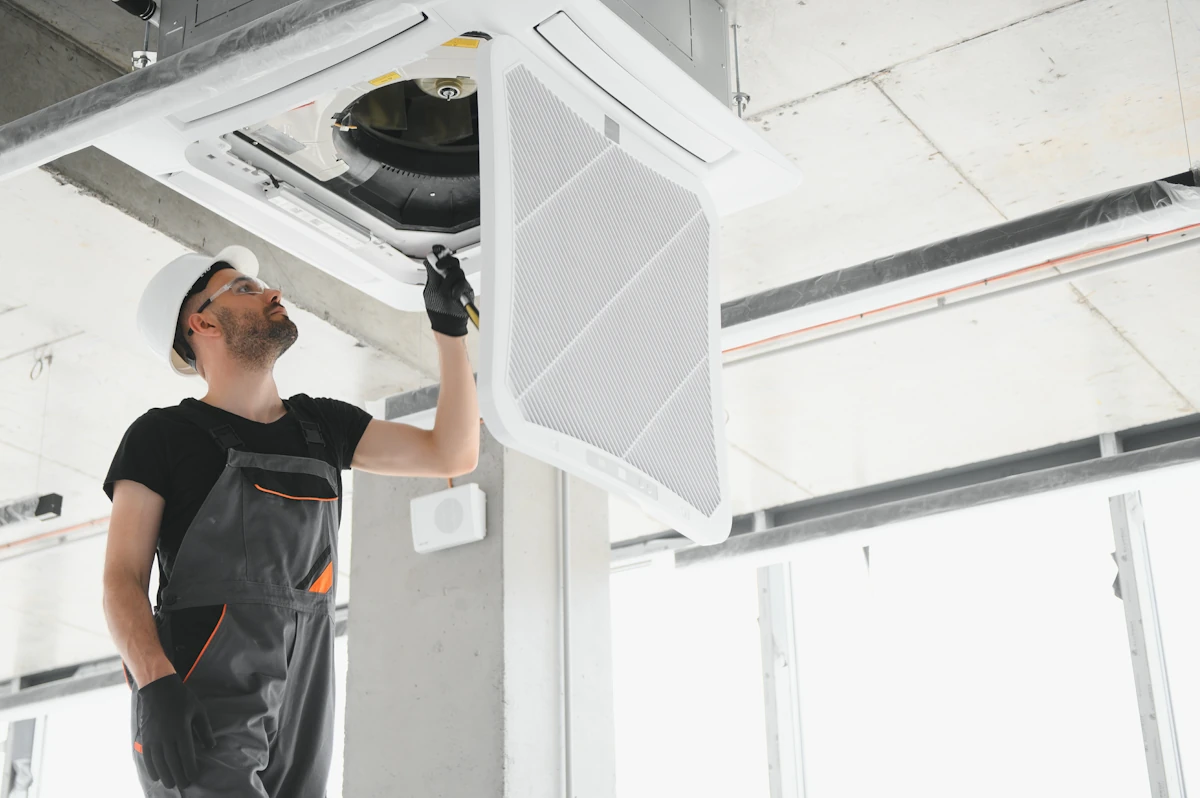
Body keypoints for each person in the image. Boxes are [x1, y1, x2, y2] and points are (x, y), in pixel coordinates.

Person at [101, 245, 479, 796]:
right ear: (202, 321)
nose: (273, 292)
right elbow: (121, 580)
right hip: (201, 697)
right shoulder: (161, 436)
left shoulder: (323, 426)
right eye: (247, 289)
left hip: (306, 686)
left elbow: (452, 453)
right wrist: (155, 683)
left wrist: (449, 328)